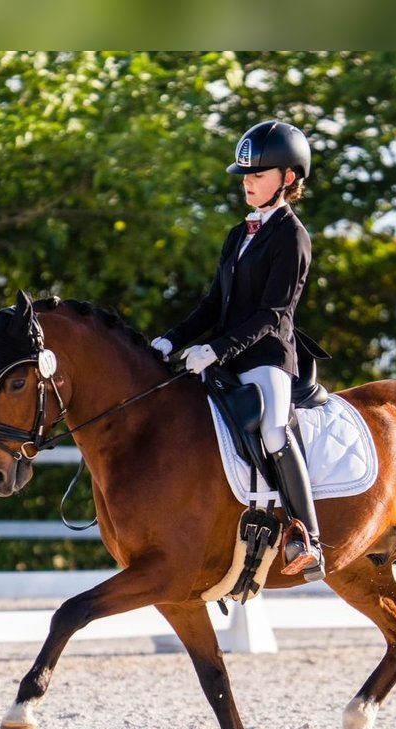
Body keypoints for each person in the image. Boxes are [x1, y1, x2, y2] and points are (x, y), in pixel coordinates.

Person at [151, 120, 325, 581]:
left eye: (258, 174)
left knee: (273, 432)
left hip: (267, 359)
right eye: (245, 175)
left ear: (288, 179)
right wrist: (173, 338)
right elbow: (213, 304)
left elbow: (273, 313)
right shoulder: (238, 234)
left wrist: (217, 348)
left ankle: (308, 537)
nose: (247, 182)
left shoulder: (292, 236)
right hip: (223, 356)